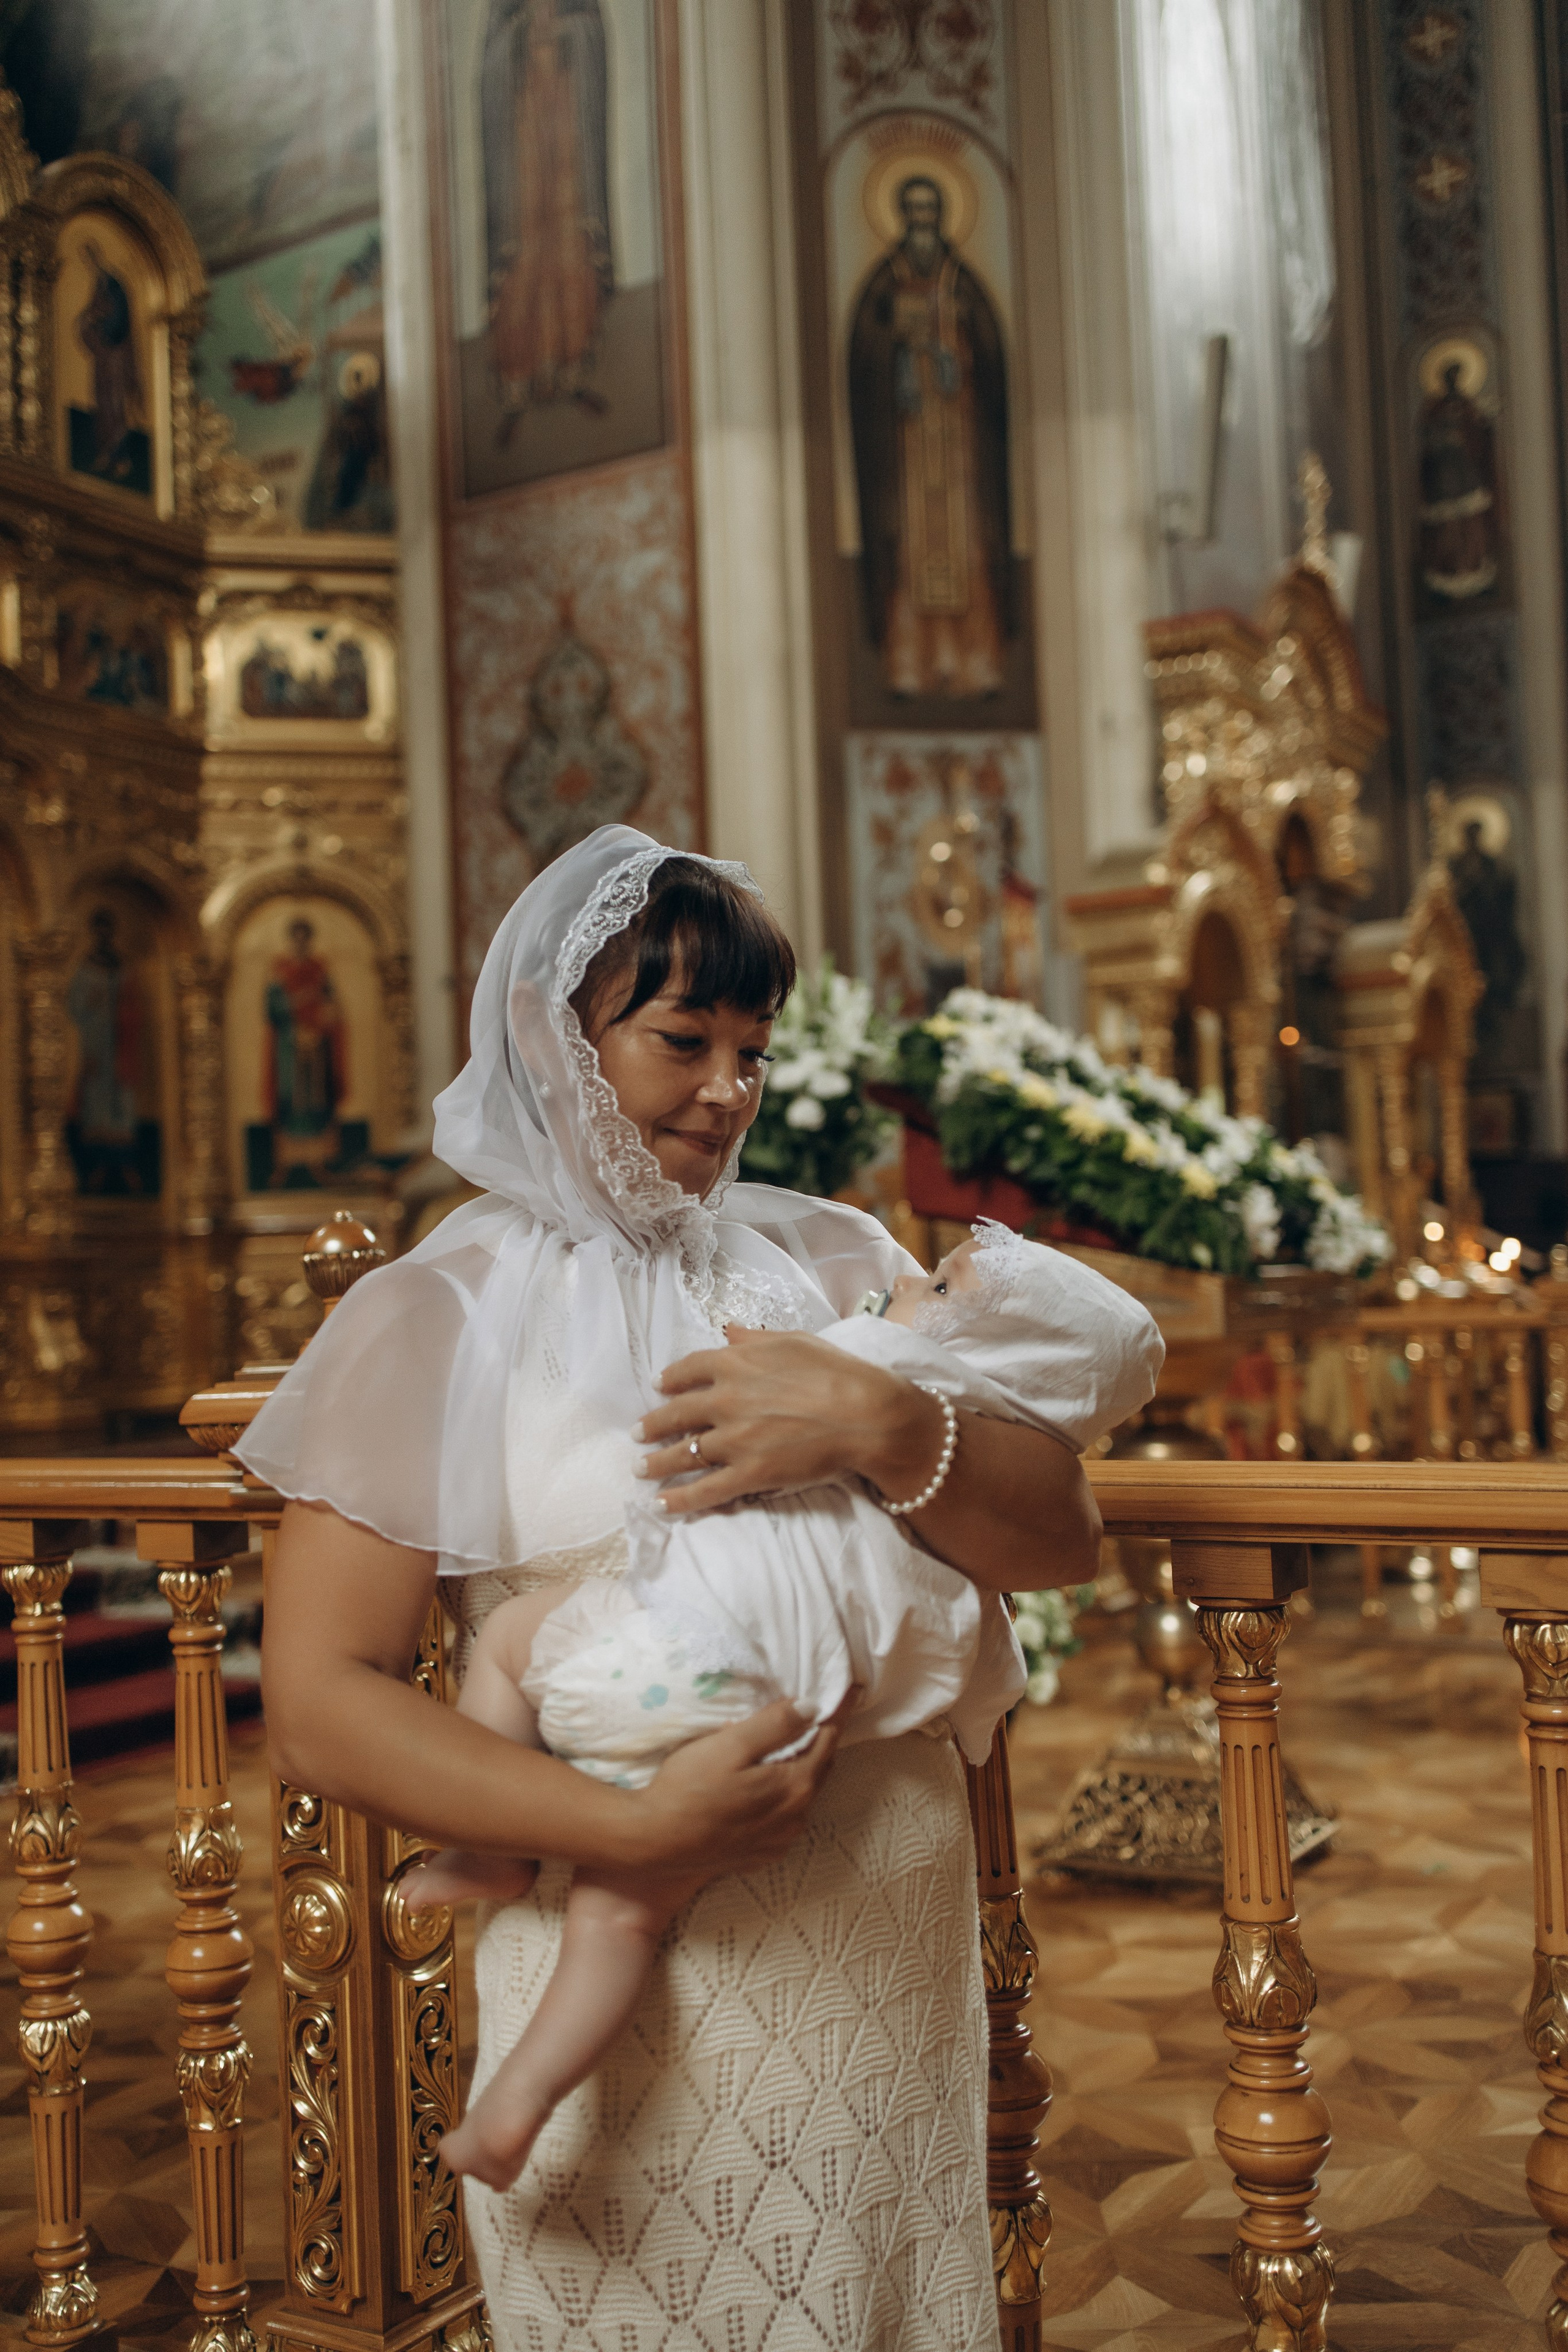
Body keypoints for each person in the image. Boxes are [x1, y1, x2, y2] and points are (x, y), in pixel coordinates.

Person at [249, 826, 1104, 2350]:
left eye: (753, 1050)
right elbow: (319, 1706)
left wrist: (885, 1422)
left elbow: (1057, 1540)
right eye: (679, 1040)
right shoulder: (432, 1310)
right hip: (633, 1990)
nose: (728, 1089)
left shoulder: (828, 1251)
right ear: (548, 1036)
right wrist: (633, 1828)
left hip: (885, 1956)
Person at [405, 1220, 1161, 2190]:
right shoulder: (983, 1411)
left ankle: (492, 1849)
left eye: (938, 1282)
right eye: (688, 1051)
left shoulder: (887, 1358)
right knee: (620, 1918)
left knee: (508, 1646)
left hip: (673, 1650)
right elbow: (990, 1644)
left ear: (1000, 1347)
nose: (903, 1284)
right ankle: (514, 2110)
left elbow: (749, 1377)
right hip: (783, 1715)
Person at [848, 174, 1012, 698]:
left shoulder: (962, 281)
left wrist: (959, 335)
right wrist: (894, 343)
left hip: (959, 442)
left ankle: (976, 663)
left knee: (967, 554)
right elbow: (863, 356)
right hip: (906, 447)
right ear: (901, 216)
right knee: (910, 557)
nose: (922, 220)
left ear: (942, 215)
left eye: (930, 210)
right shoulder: (885, 281)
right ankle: (911, 665)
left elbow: (991, 355)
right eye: (912, 210)